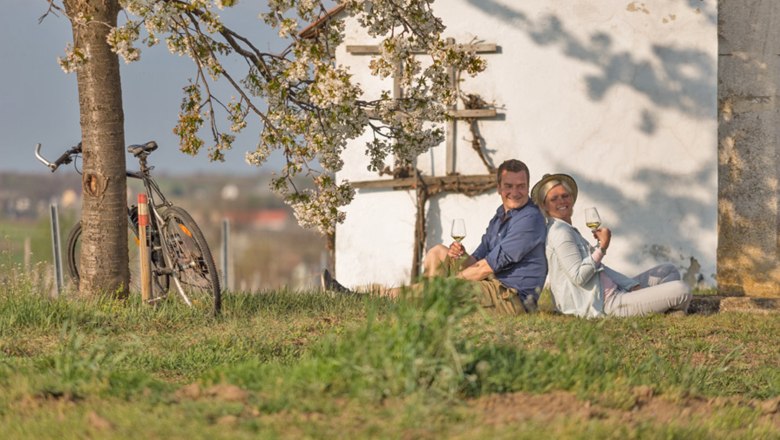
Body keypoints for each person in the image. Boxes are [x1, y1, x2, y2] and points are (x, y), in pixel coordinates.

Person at [322, 159, 548, 315]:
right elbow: (477, 259)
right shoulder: (500, 216)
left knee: (450, 287)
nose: (515, 192)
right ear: (499, 187)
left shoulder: (530, 219)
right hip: (494, 285)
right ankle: (424, 303)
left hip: (513, 298)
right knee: (438, 252)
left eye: (521, 186)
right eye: (509, 186)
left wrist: (450, 283)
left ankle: (371, 299)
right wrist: (459, 255)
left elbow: (485, 268)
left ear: (528, 187)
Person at [530, 173, 691, 318]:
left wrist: (631, 286)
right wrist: (602, 248)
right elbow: (579, 277)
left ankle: (668, 309)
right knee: (681, 289)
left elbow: (601, 269)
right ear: (544, 206)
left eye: (565, 196)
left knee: (668, 270)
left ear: (572, 199)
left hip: (612, 291)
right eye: (554, 198)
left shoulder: (566, 229)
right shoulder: (560, 233)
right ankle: (670, 309)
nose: (562, 201)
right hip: (606, 303)